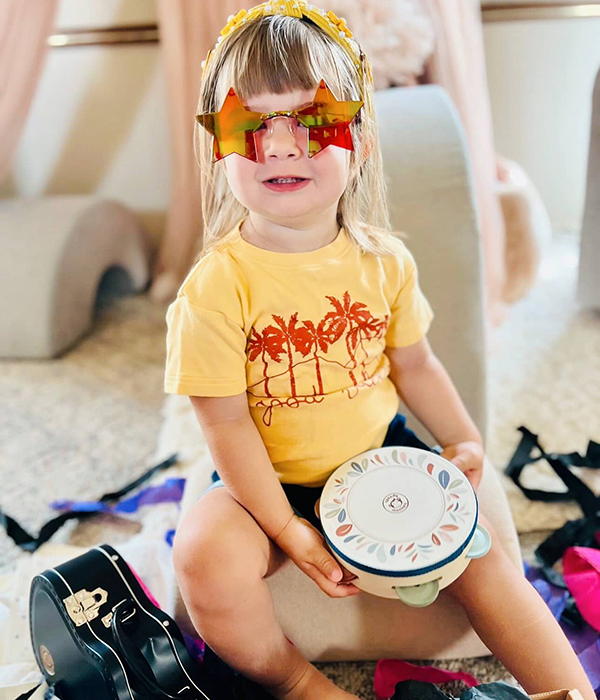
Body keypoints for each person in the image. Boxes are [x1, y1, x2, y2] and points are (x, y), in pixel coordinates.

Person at [164, 2, 595, 699]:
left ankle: (568, 689)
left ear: (359, 139)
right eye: (251, 125)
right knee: (203, 552)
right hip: (265, 484)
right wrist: (284, 527)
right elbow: (224, 422)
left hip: (377, 461)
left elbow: (414, 364)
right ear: (219, 145)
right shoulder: (215, 287)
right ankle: (294, 679)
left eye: (314, 120)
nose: (279, 147)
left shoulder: (384, 261)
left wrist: (461, 438)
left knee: (483, 555)